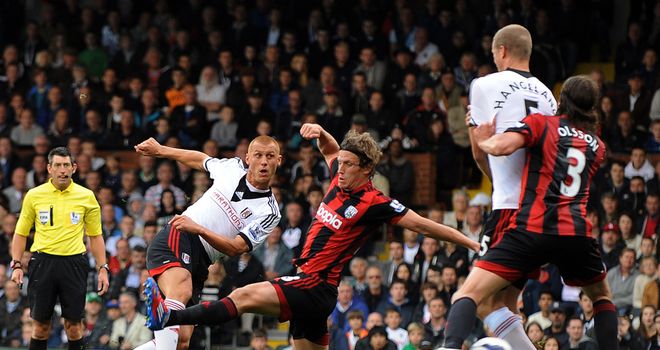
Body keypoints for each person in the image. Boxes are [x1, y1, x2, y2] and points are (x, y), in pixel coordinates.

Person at [145, 124, 479, 350]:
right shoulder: (337, 177)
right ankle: (172, 318)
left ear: (366, 169)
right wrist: (320, 132)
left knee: (244, 296)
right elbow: (331, 148)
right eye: (341, 163)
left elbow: (423, 225)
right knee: (182, 340)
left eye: (348, 165)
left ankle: (172, 315)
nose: (340, 169)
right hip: (318, 293)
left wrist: (469, 242)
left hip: (314, 283)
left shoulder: (375, 202)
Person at [440, 76, 616, 350]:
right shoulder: (597, 146)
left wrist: (483, 139)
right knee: (602, 296)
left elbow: (501, 147)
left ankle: (450, 346)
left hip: (532, 229)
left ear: (562, 101)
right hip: (576, 234)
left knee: (468, 293)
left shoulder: (543, 125)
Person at [133, 136, 282, 350]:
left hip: (201, 261)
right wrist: (161, 150)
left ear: (279, 160)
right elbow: (200, 160)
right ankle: (162, 314)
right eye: (258, 155)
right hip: (180, 234)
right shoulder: (232, 167)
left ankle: (162, 316)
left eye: (270, 156)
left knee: (181, 341)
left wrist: (201, 229)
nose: (264, 162)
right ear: (248, 158)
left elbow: (236, 247)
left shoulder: (269, 212)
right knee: (181, 291)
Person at [465, 24, 557, 349]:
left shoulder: (485, 85)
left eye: (493, 54)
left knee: (476, 301)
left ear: (501, 51)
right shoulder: (549, 96)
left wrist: (476, 140)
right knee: (506, 305)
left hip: (507, 210)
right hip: (541, 214)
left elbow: (484, 158)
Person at [10, 146, 109, 350]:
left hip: (74, 263)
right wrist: (17, 264)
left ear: (74, 168)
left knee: (74, 327)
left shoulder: (87, 196)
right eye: (58, 165)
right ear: (49, 168)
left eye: (66, 165)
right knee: (40, 327)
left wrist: (103, 268)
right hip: (42, 263)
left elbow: (95, 236)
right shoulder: (34, 195)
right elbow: (20, 233)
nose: (62, 170)